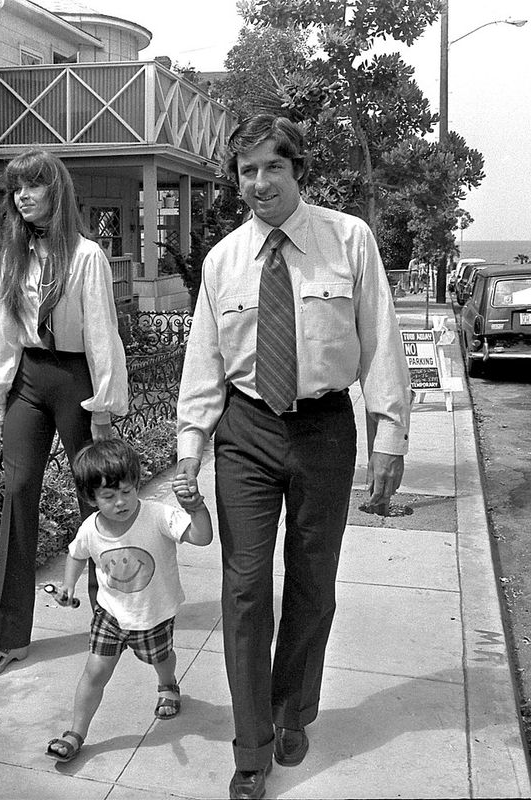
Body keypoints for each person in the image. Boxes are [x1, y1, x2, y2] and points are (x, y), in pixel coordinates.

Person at [174, 114, 411, 800]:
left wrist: (388, 433)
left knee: (312, 582)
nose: (259, 183)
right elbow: (204, 364)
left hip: (324, 429)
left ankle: (291, 710)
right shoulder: (224, 261)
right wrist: (190, 449)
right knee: (246, 588)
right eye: (247, 171)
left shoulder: (348, 240)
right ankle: (252, 749)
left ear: (296, 169)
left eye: (271, 167)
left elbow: (380, 340)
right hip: (245, 430)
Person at [0, 148, 129, 678]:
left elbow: (102, 333)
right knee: (17, 492)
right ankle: (9, 635)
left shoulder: (87, 256)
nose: (22, 196)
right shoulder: (14, 257)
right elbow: (4, 327)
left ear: (56, 192)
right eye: (16, 188)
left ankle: (109, 622)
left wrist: (104, 406)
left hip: (75, 381)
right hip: (27, 378)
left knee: (96, 496)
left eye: (33, 186)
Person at [45, 439, 213, 763]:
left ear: (136, 484)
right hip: (110, 615)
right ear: (90, 498)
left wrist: (196, 509)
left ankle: (167, 684)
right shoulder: (90, 529)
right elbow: (76, 554)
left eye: (126, 490)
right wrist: (69, 586)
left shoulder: (157, 516)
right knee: (94, 671)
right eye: (108, 496)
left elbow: (202, 537)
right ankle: (75, 733)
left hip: (154, 613)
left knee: (160, 658)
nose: (120, 502)